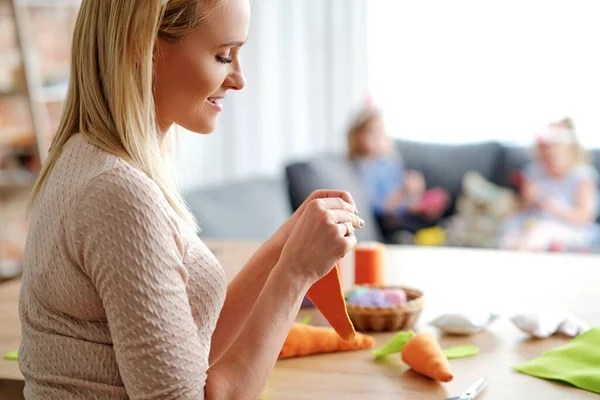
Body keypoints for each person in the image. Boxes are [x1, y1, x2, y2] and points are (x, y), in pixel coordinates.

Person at [19, 1, 365, 399]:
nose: (239, 79)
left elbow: (182, 352)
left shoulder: (87, 159)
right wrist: (295, 274)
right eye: (223, 56)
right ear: (143, 46)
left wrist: (285, 245)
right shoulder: (118, 194)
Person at [347, 106, 448, 240]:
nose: (378, 139)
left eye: (381, 133)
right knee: (401, 229)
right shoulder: (364, 167)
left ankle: (434, 230)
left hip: (407, 209)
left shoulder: (391, 161)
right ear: (359, 137)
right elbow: (380, 207)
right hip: (390, 217)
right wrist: (402, 192)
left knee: (441, 197)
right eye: (373, 133)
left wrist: (415, 193)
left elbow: (409, 197)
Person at [499, 117, 599, 251]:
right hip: (533, 223)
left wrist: (554, 208)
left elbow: (585, 217)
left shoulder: (582, 176)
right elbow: (520, 209)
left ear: (570, 152)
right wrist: (528, 198)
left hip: (570, 228)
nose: (547, 163)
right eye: (543, 157)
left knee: (541, 235)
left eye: (552, 157)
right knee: (511, 231)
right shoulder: (534, 171)